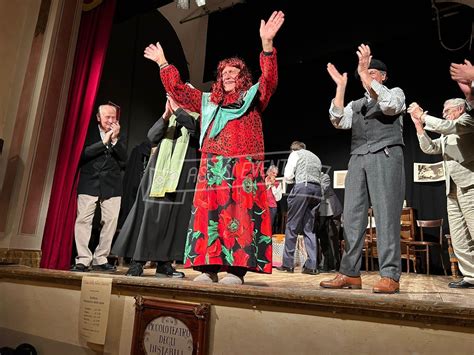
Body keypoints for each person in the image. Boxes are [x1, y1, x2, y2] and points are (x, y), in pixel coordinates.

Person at [143, 10, 285, 285]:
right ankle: (209, 268)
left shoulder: (253, 97)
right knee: (210, 217)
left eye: (234, 72)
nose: (228, 75)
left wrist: (267, 45)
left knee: (240, 216)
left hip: (244, 165)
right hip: (213, 166)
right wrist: (163, 63)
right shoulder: (209, 102)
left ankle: (236, 270)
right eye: (224, 73)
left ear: (243, 77)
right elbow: (181, 92)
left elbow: (269, 79)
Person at [320, 44, 406, 293]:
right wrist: (341, 88)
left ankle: (390, 274)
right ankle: (349, 273)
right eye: (365, 74)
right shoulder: (357, 105)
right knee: (353, 215)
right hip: (358, 158)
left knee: (386, 215)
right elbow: (338, 120)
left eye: (374, 73)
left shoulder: (395, 93)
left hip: (385, 155)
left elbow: (389, 106)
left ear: (384, 76)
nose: (368, 77)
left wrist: (366, 74)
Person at [111, 96, 200, 278]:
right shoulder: (170, 119)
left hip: (182, 175)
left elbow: (195, 131)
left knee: (173, 220)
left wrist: (178, 111)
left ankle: (164, 263)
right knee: (149, 216)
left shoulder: (197, 117)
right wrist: (166, 115)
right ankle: (138, 262)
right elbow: (152, 137)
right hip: (158, 173)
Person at [407, 98, 474, 288]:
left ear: (460, 109)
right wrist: (419, 126)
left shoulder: (467, 121)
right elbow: (430, 148)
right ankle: (470, 276)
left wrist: (423, 115)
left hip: (470, 184)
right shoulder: (447, 134)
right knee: (459, 235)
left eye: (447, 110)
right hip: (452, 188)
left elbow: (447, 126)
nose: (443, 113)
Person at [71, 103, 127, 272]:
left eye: (113, 118)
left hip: (112, 185)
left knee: (110, 222)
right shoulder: (88, 132)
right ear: (98, 118)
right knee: (83, 221)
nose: (110, 121)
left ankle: (101, 258)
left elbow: (124, 159)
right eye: (107, 117)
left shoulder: (119, 135)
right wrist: (104, 142)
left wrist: (115, 139)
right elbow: (84, 153)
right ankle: (83, 259)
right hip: (90, 182)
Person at [276, 141, 322, 275]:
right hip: (317, 190)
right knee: (309, 228)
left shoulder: (295, 154)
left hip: (303, 187)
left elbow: (288, 176)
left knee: (292, 226)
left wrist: (291, 181)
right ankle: (312, 266)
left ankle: (287, 264)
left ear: (293, 149)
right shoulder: (315, 157)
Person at [316, 172, 343, 272]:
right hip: (322, 211)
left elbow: (323, 190)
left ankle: (337, 265)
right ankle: (326, 264)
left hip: (332, 211)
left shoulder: (324, 177)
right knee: (323, 238)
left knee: (333, 238)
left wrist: (312, 187)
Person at [265, 164, 283, 232]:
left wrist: (273, 186)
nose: (275, 175)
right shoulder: (263, 181)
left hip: (272, 207)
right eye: (273, 173)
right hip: (262, 207)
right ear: (269, 172)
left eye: (276, 173)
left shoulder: (277, 184)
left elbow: (278, 198)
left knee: (269, 226)